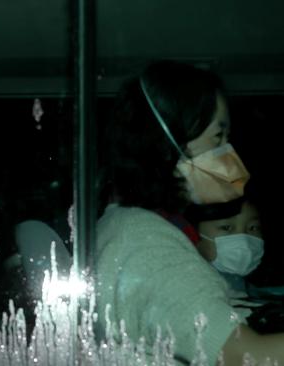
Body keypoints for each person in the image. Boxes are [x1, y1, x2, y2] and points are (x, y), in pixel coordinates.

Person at [97, 60, 284, 365]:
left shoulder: (126, 224)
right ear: (167, 143)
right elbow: (249, 358)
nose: (228, 153)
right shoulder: (147, 244)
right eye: (217, 137)